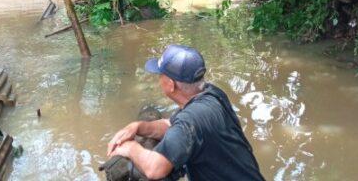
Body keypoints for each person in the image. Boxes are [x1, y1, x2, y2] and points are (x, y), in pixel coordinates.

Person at [107, 44, 265, 181]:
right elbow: (172, 125)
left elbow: (155, 168)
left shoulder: (189, 121)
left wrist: (130, 148)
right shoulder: (212, 94)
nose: (158, 79)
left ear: (170, 84)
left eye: (160, 75)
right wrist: (138, 127)